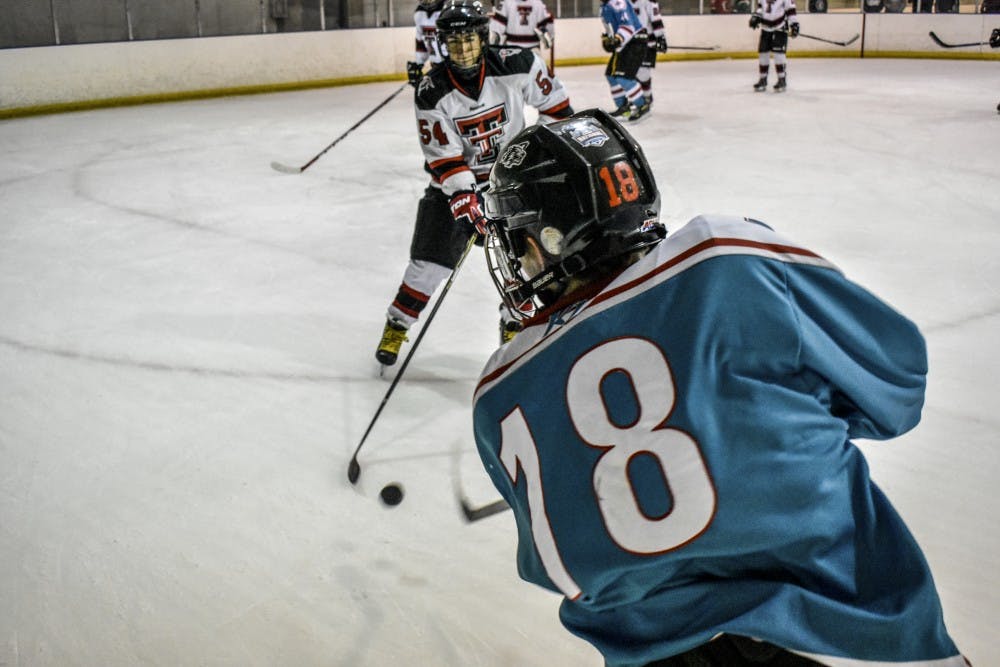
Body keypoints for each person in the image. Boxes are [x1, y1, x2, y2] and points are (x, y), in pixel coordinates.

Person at [472, 108, 969, 667]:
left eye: (521, 241)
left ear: (549, 238)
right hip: (852, 642)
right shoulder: (726, 257)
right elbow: (899, 388)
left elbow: (560, 571)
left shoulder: (500, 394)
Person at [374, 0, 574, 367]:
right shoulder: (432, 90)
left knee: (528, 262)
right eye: (454, 42)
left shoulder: (519, 64)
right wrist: (465, 197)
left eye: (469, 40)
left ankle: (514, 324)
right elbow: (444, 157)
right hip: (454, 188)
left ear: (483, 38)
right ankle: (397, 323)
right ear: (442, 46)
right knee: (429, 265)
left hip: (510, 182)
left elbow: (558, 109)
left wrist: (540, 159)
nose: (463, 49)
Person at [600, 0, 649, 120]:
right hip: (625, 44)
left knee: (623, 78)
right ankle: (623, 107)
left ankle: (642, 105)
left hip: (635, 43)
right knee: (611, 76)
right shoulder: (604, 6)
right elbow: (610, 28)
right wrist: (608, 39)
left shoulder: (617, 2)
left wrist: (617, 40)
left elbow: (628, 26)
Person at [749, 0, 799, 92]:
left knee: (778, 54)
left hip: (780, 27)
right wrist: (756, 16)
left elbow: (790, 9)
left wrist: (794, 24)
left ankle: (782, 79)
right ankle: (762, 79)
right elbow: (761, 7)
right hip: (765, 27)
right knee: (763, 53)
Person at [631, 0, 668, 111]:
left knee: (643, 73)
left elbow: (656, 19)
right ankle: (640, 99)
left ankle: (647, 99)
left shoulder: (647, 1)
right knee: (633, 73)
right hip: (633, 43)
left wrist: (661, 38)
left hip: (647, 44)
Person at [488, 0, 555, 52]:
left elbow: (547, 25)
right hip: (511, 48)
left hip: (532, 48)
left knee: (540, 67)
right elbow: (496, 28)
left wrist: (546, 34)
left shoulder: (537, 3)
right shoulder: (507, 3)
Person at [408, 0, 447, 87]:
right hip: (435, 65)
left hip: (451, 65)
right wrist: (419, 63)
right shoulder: (419, 13)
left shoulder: (447, 10)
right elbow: (420, 41)